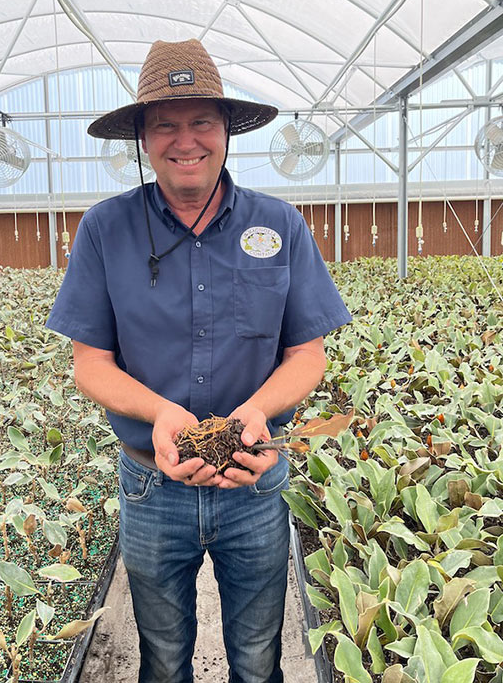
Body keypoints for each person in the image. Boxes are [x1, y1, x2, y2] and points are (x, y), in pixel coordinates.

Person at [46, 38, 352, 683]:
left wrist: (255, 411)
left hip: (256, 478)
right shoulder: (106, 230)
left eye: (202, 122)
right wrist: (163, 415)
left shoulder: (281, 226)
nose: (186, 140)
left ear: (226, 131)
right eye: (166, 125)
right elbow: (91, 364)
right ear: (143, 139)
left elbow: (307, 354)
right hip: (152, 483)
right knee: (161, 657)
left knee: (256, 654)